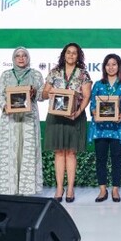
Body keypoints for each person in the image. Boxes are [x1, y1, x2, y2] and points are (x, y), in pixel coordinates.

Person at [0, 47, 45, 196]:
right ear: (13, 59)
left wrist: (34, 92)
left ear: (28, 58)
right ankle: (9, 187)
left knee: (27, 151)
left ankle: (26, 189)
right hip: (9, 119)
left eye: (24, 55)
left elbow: (42, 96)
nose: (21, 58)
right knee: (10, 150)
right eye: (18, 56)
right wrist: (5, 106)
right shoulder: (6, 75)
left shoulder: (36, 75)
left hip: (29, 118)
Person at [42, 43, 92, 203]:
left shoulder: (83, 74)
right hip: (56, 117)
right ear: (64, 55)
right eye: (68, 53)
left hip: (74, 116)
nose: (71, 56)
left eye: (74, 53)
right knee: (58, 152)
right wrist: (49, 93)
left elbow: (86, 96)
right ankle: (59, 187)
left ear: (78, 57)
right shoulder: (54, 72)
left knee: (70, 152)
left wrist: (78, 112)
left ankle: (70, 188)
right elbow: (44, 93)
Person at [89, 53, 121, 203]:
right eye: (108, 64)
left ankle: (115, 189)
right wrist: (94, 112)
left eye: (114, 64)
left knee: (117, 159)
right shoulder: (98, 84)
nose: (111, 67)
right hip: (100, 128)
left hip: (118, 128)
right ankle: (102, 189)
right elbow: (93, 105)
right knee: (100, 159)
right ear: (104, 67)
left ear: (119, 66)